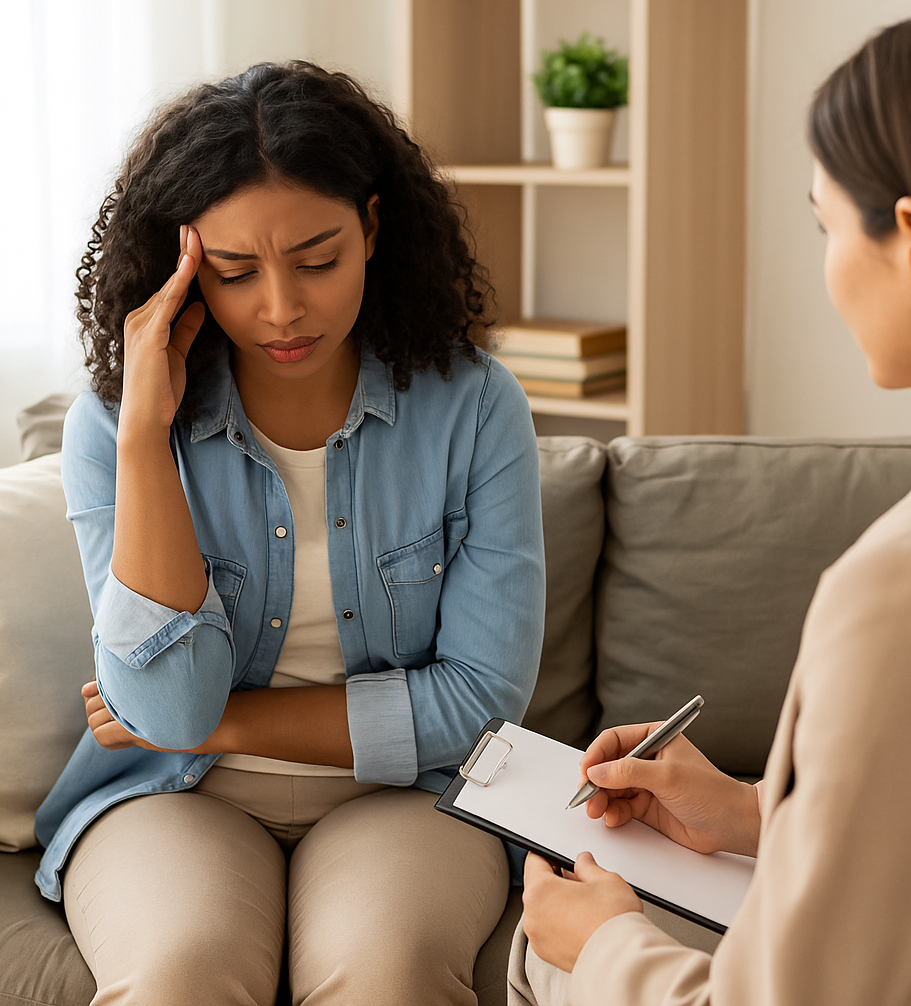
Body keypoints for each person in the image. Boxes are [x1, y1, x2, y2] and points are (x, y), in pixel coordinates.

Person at [509, 0, 911, 1006]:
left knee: (542, 956)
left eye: (824, 224)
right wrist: (748, 810)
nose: (827, 266)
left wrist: (605, 945)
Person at [32, 61, 545, 1006]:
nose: (281, 307)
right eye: (234, 271)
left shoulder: (474, 408)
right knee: (181, 972)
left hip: (404, 795)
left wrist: (228, 718)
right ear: (184, 266)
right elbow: (168, 717)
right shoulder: (112, 425)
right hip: (176, 791)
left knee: (387, 975)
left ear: (374, 230)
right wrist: (147, 439)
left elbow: (479, 703)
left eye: (318, 260)